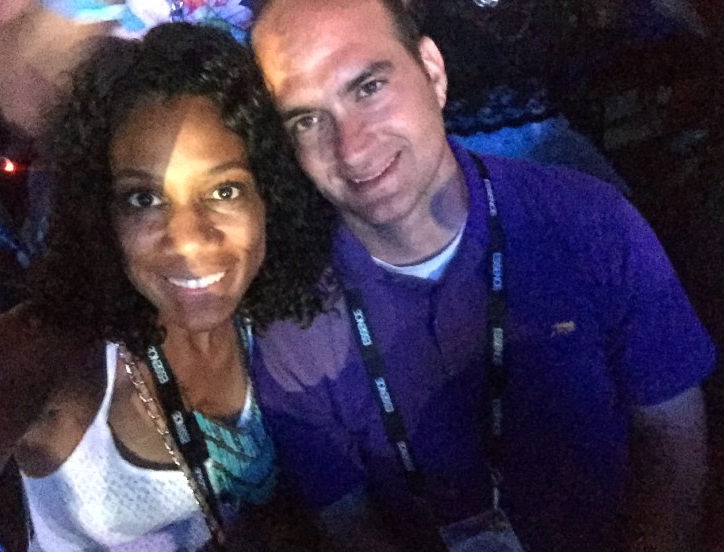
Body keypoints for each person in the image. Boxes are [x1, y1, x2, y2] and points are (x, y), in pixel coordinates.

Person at [248, 0, 716, 550]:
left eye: (369, 87)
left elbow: (673, 438)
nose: (351, 149)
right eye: (307, 119)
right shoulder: (293, 325)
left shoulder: (590, 222)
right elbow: (349, 525)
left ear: (433, 72)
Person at [0, 21, 332, 551]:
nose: (188, 240)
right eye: (144, 199)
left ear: (268, 195)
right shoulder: (55, 351)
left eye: (224, 190)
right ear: (103, 212)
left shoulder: (271, 319)